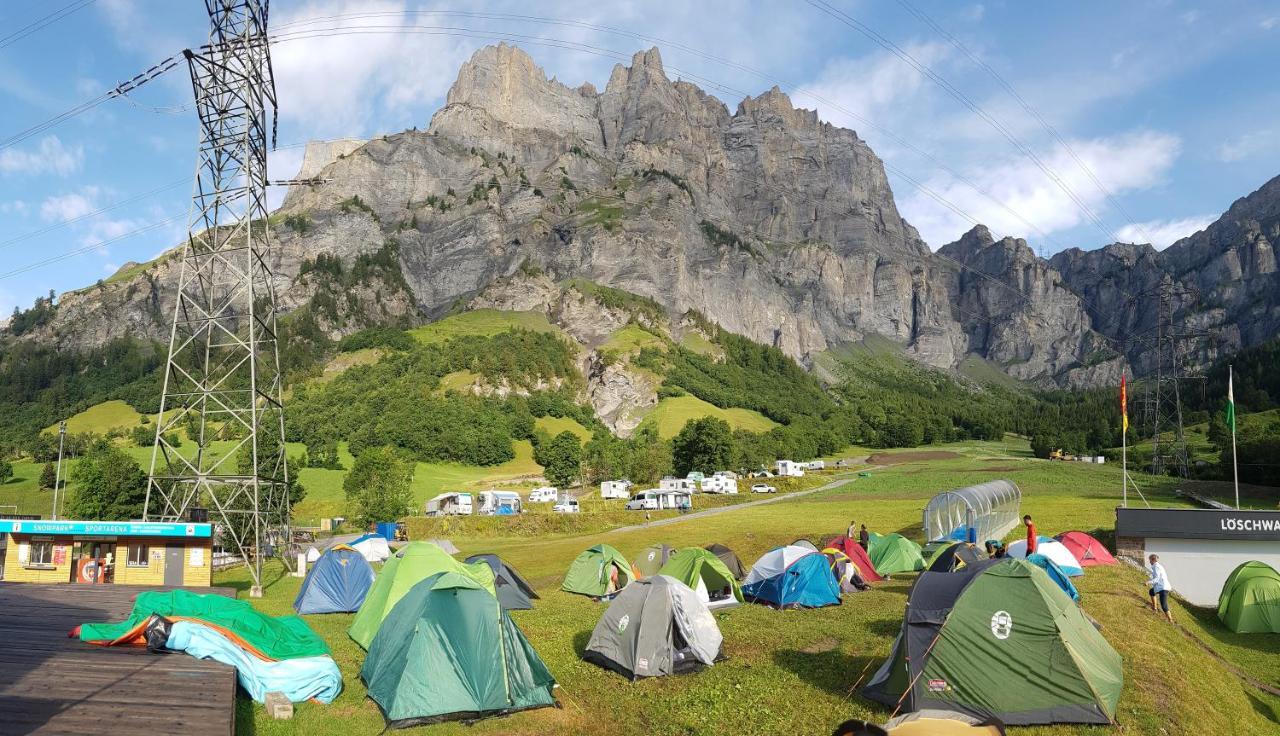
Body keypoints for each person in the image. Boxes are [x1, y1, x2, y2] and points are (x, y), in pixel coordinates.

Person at [1147, 554, 1173, 623]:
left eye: (1150, 560)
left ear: (1153, 560)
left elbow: (1157, 578)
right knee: (1151, 592)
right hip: (1161, 586)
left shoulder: (1156, 567)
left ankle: (1170, 620)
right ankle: (1155, 608)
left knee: (1164, 605)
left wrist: (1148, 582)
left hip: (1163, 588)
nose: (1149, 562)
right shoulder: (1157, 566)